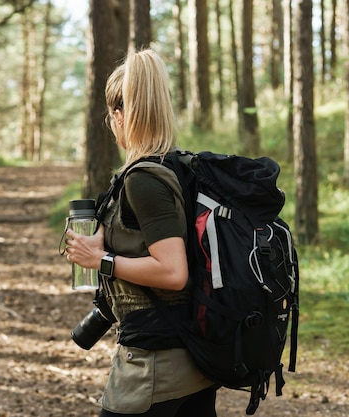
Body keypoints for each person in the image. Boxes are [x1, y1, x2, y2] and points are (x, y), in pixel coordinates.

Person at [64, 48, 217, 417]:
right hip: (192, 358)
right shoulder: (177, 166)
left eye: (110, 113)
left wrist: (100, 260)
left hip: (155, 364)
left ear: (119, 116)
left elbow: (173, 272)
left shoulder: (144, 180)